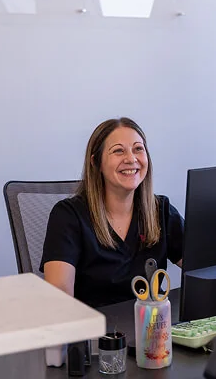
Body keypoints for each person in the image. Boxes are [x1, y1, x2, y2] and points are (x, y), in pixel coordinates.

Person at [41, 117, 184, 308]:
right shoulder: (68, 216)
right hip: (97, 334)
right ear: (96, 162)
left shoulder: (161, 210)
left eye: (138, 149)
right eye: (118, 151)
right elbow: (60, 301)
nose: (131, 159)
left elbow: (205, 269)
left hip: (152, 331)